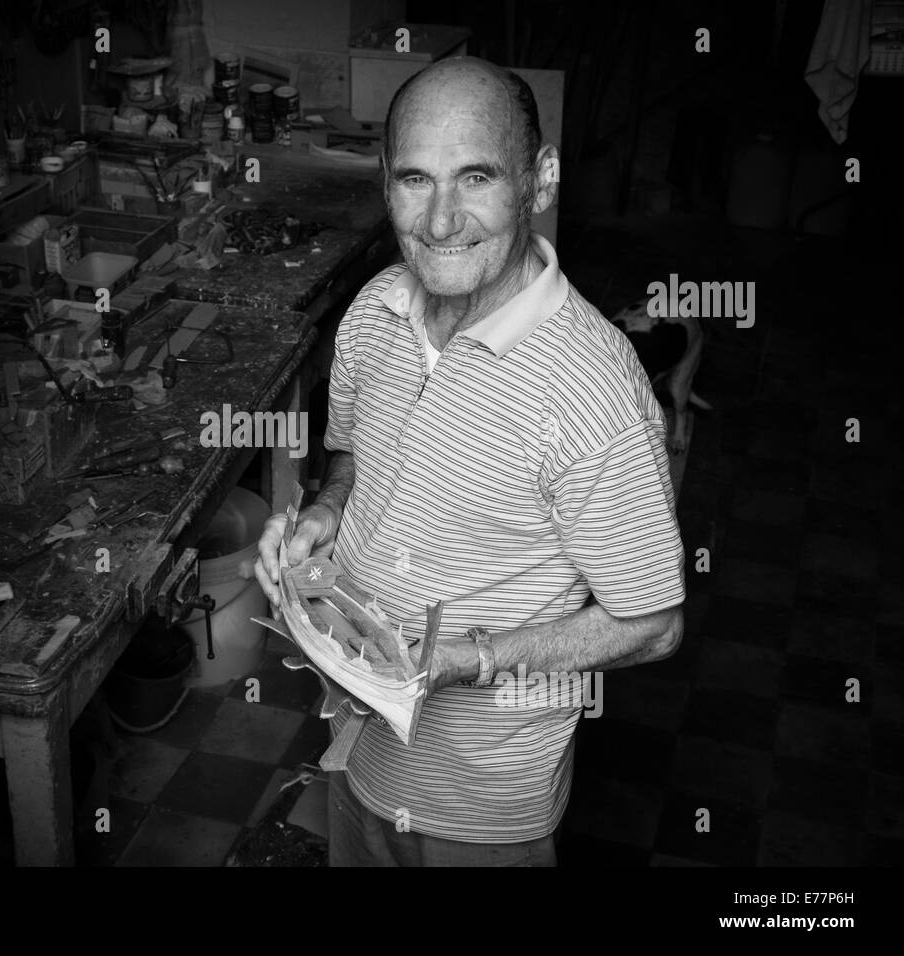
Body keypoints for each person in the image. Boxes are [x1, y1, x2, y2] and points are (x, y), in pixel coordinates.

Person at [253, 57, 686, 867]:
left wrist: (474, 659)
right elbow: (350, 457)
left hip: (481, 803)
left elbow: (654, 623)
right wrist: (323, 514)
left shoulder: (592, 392)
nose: (442, 221)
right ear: (385, 183)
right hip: (358, 745)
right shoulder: (374, 312)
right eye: (416, 180)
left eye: (476, 177)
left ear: (540, 180)